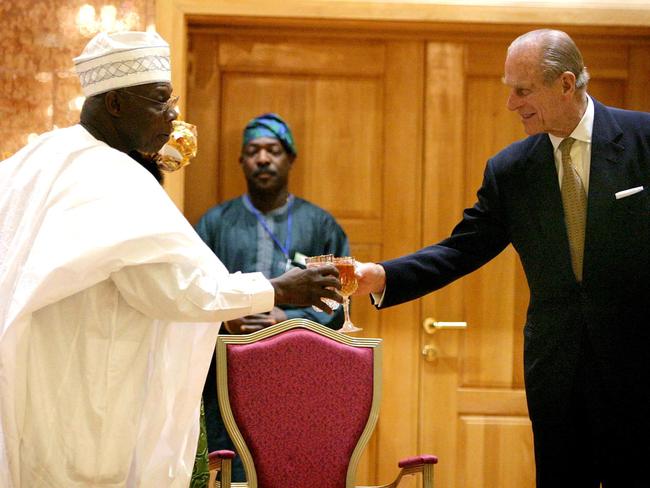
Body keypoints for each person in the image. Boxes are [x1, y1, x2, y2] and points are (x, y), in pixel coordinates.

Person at [0, 31, 341, 488]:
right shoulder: (113, 177)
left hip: (31, 382)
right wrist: (277, 288)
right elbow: (177, 289)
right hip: (83, 394)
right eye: (160, 100)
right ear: (116, 103)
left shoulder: (38, 156)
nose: (174, 114)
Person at [355, 29, 650, 488]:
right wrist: (382, 276)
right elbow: (462, 249)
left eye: (523, 90)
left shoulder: (644, 139)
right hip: (556, 368)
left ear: (567, 84)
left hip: (639, 364)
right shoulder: (511, 169)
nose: (512, 103)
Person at [195, 112, 349, 480]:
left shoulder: (321, 225)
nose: (263, 159)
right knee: (226, 468)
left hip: (297, 377)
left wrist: (289, 321)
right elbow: (190, 294)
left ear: (290, 158)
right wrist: (224, 316)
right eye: (253, 151)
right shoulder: (214, 224)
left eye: (273, 150)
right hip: (224, 378)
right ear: (242, 162)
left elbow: (338, 306)